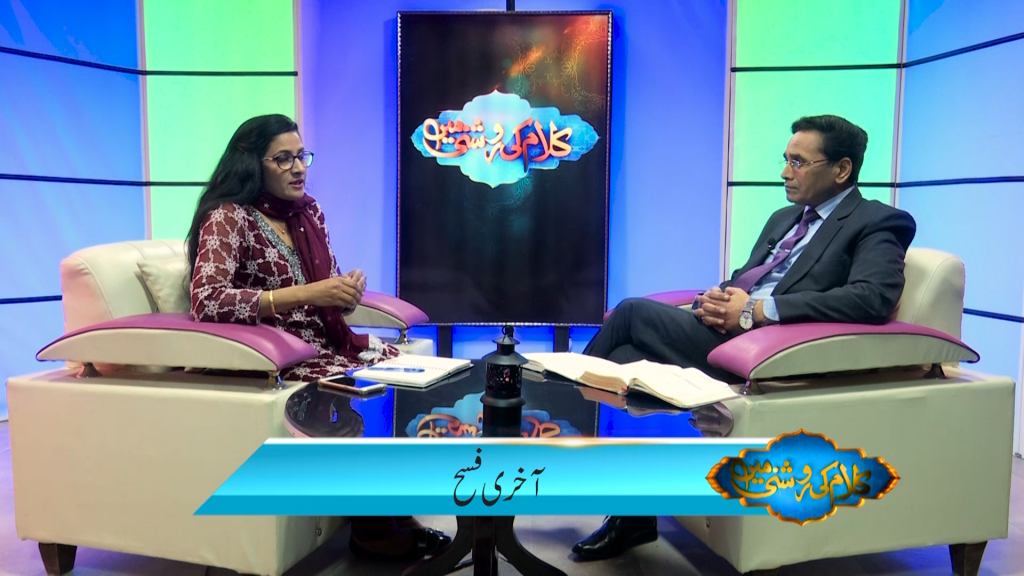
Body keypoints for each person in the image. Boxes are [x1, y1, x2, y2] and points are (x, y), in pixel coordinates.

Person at [571, 114, 916, 561]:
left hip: (768, 353)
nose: (785, 172)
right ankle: (630, 509)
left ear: (842, 169)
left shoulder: (877, 221)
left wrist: (758, 312)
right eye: (785, 159)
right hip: (725, 335)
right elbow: (745, 279)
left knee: (631, 312)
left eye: (798, 162)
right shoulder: (784, 217)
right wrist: (714, 301)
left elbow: (872, 297)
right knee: (627, 355)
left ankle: (556, 433)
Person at [186, 114, 451, 561]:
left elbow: (327, 292)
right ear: (251, 163)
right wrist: (309, 294)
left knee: (410, 381)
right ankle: (373, 532)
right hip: (277, 355)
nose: (298, 169)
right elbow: (207, 300)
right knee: (361, 392)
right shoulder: (228, 217)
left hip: (325, 342)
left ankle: (395, 508)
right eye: (283, 159)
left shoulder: (308, 212)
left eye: (301, 156)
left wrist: (346, 294)